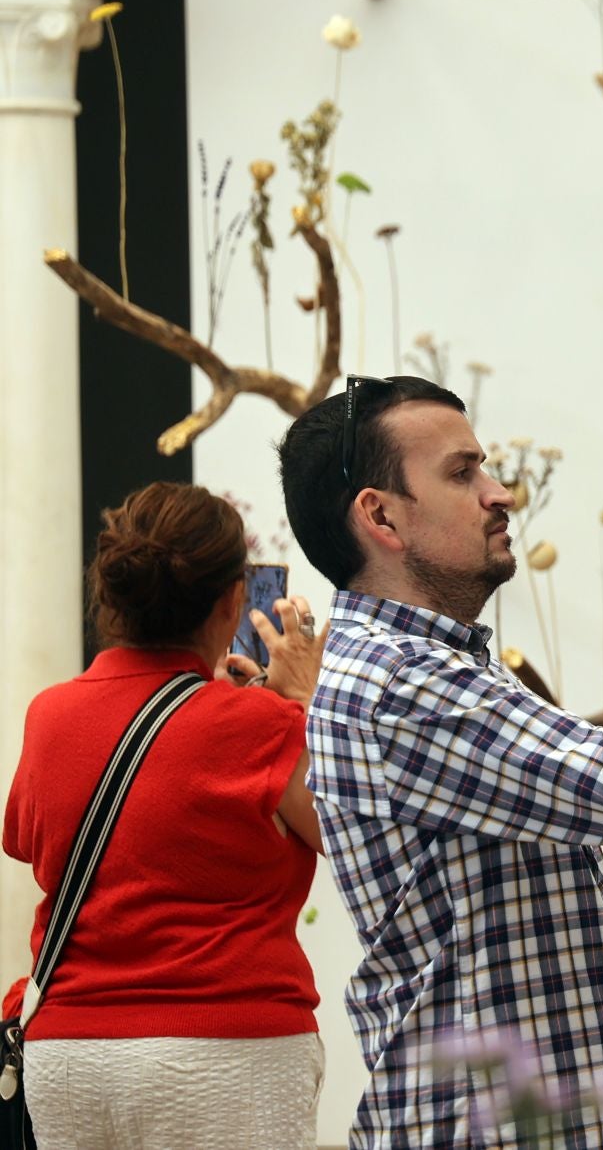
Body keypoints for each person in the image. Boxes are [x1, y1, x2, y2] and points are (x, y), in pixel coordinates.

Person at [279, 374, 603, 1148]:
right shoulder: (403, 684)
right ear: (379, 514)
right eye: (463, 473)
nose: (501, 494)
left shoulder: (428, 662)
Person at [2, 481, 328, 1149]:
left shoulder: (50, 715)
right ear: (234, 599)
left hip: (70, 1054)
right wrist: (304, 703)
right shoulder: (264, 724)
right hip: (227, 1051)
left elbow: (32, 845)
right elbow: (351, 837)